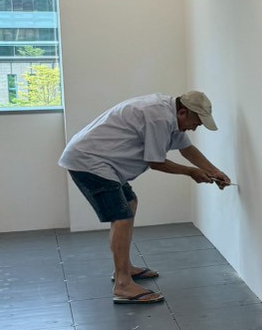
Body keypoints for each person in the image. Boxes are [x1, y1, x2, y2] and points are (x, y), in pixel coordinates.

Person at [59, 91, 230, 304]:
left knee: (130, 203)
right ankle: (122, 284)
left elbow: (187, 149)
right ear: (183, 112)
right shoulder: (158, 117)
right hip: (88, 161)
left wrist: (214, 171)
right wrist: (191, 172)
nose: (195, 128)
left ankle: (124, 268)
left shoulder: (171, 116)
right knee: (121, 216)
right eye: (196, 123)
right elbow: (156, 162)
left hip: (102, 162)